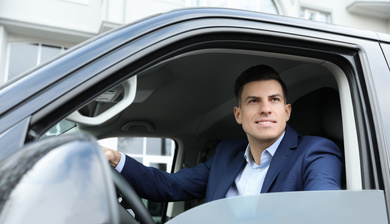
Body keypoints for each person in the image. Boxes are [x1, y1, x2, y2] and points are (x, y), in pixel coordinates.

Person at [103, 65, 343, 202]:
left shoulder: (316, 152)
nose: (266, 108)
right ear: (238, 115)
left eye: (274, 100)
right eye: (253, 101)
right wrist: (115, 158)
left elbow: (320, 215)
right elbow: (171, 185)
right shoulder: (227, 154)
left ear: (287, 111)